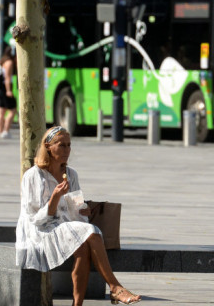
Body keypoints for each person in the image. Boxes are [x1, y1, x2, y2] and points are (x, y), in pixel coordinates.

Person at [15, 126, 142, 305]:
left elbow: (75, 213)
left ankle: (78, 304)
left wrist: (83, 212)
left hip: (65, 227)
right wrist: (54, 199)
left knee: (83, 248)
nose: (67, 150)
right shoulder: (34, 176)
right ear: (48, 146)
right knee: (92, 231)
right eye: (61, 145)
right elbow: (35, 219)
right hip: (40, 230)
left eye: (69, 145)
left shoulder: (71, 174)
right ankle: (115, 287)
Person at [0, 46, 17, 139]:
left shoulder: (2, 61)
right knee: (12, 110)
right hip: (6, 89)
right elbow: (8, 77)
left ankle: (0, 132)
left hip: (1, 89)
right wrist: (9, 90)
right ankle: (5, 131)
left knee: (1, 110)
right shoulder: (9, 62)